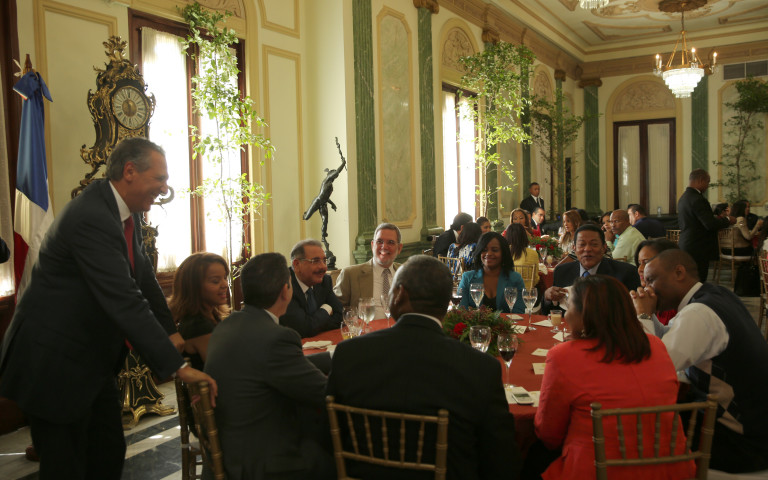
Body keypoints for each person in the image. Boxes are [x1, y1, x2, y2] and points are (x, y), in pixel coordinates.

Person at [0, 137, 216, 479]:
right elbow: (124, 297)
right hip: (52, 363)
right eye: (159, 178)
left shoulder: (123, 212)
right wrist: (178, 367)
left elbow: (144, 277)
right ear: (129, 171)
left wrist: (171, 331)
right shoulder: (92, 216)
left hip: (89, 362)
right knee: (66, 466)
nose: (164, 188)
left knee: (107, 453)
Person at [326, 255, 521, 480]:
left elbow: (329, 433)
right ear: (447, 303)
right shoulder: (480, 368)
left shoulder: (349, 354)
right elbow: (501, 460)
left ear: (400, 294)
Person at [533, 275, 692, 480]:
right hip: (671, 468)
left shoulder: (564, 355)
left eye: (569, 307)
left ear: (583, 314)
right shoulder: (655, 345)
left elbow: (549, 434)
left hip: (600, 471)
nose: (566, 315)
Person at [632, 249, 768, 474]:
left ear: (679, 272)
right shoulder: (716, 294)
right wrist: (650, 315)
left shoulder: (699, 312)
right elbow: (669, 337)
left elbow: (653, 369)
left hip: (743, 443)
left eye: (651, 280)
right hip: (757, 428)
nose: (647, 289)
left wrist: (643, 316)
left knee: (639, 431)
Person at [205, 252, 334, 480]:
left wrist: (332, 357)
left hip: (230, 451)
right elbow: (323, 392)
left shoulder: (228, 325)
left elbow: (265, 365)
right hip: (265, 462)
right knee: (341, 451)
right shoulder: (277, 337)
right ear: (286, 290)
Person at [543, 224, 641, 313]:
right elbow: (551, 312)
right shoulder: (562, 271)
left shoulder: (625, 273)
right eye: (582, 244)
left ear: (604, 248)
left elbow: (633, 312)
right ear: (574, 248)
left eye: (594, 244)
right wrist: (548, 298)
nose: (587, 249)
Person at [168, 252, 230, 371]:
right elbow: (223, 370)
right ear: (194, 287)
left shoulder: (210, 314)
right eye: (215, 281)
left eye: (225, 278)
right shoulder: (198, 325)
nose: (225, 284)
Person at [334, 223, 403, 317]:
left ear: (399, 248)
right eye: (379, 241)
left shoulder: (407, 273)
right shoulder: (350, 274)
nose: (384, 247)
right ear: (372, 245)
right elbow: (336, 310)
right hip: (366, 326)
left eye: (390, 242)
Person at [677, 169, 733, 283]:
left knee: (689, 282)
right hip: (698, 248)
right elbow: (710, 224)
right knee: (699, 281)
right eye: (707, 182)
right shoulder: (698, 199)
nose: (708, 186)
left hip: (686, 245)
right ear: (701, 180)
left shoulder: (683, 198)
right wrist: (728, 220)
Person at [281, 239, 343, 337]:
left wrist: (314, 325)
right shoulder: (285, 286)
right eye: (316, 261)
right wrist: (326, 309)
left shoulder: (325, 281)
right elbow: (304, 328)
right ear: (297, 264)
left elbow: (341, 316)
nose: (323, 267)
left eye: (324, 260)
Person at [458, 232, 526, 313]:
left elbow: (519, 312)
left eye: (495, 250)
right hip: (474, 321)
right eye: (484, 250)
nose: (489, 254)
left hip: (507, 321)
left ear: (503, 253)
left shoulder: (515, 278)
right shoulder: (467, 278)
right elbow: (461, 310)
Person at [634, 238, 678, 325]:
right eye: (639, 263)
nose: (640, 269)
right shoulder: (646, 299)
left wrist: (643, 314)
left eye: (646, 262)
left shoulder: (675, 306)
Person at [504, 223, 539, 290]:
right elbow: (535, 279)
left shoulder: (504, 252)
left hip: (507, 292)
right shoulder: (533, 253)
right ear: (524, 236)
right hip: (526, 293)